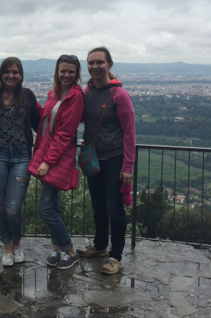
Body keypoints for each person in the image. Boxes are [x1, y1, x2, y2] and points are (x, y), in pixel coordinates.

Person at [75, 47, 136, 275]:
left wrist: (128, 166)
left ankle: (116, 256)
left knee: (115, 209)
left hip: (114, 160)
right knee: (98, 206)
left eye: (99, 62)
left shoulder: (119, 95)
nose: (94, 67)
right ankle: (100, 246)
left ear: (109, 64)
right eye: (91, 63)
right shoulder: (87, 93)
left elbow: (130, 132)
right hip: (93, 160)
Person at [0, 57, 41, 267]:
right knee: (0, 203)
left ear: (21, 75)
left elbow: (39, 125)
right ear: (1, 74)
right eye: (7, 72)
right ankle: (7, 247)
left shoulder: (28, 95)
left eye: (15, 72)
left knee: (13, 207)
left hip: (22, 155)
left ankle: (17, 243)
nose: (11, 76)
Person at [31, 54, 85, 270]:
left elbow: (64, 133)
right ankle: (55, 247)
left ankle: (70, 250)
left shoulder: (76, 97)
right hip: (49, 152)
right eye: (63, 71)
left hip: (57, 157)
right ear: (57, 71)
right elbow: (48, 117)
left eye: (71, 72)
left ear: (76, 74)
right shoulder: (55, 92)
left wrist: (47, 161)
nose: (66, 75)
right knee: (53, 205)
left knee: (44, 208)